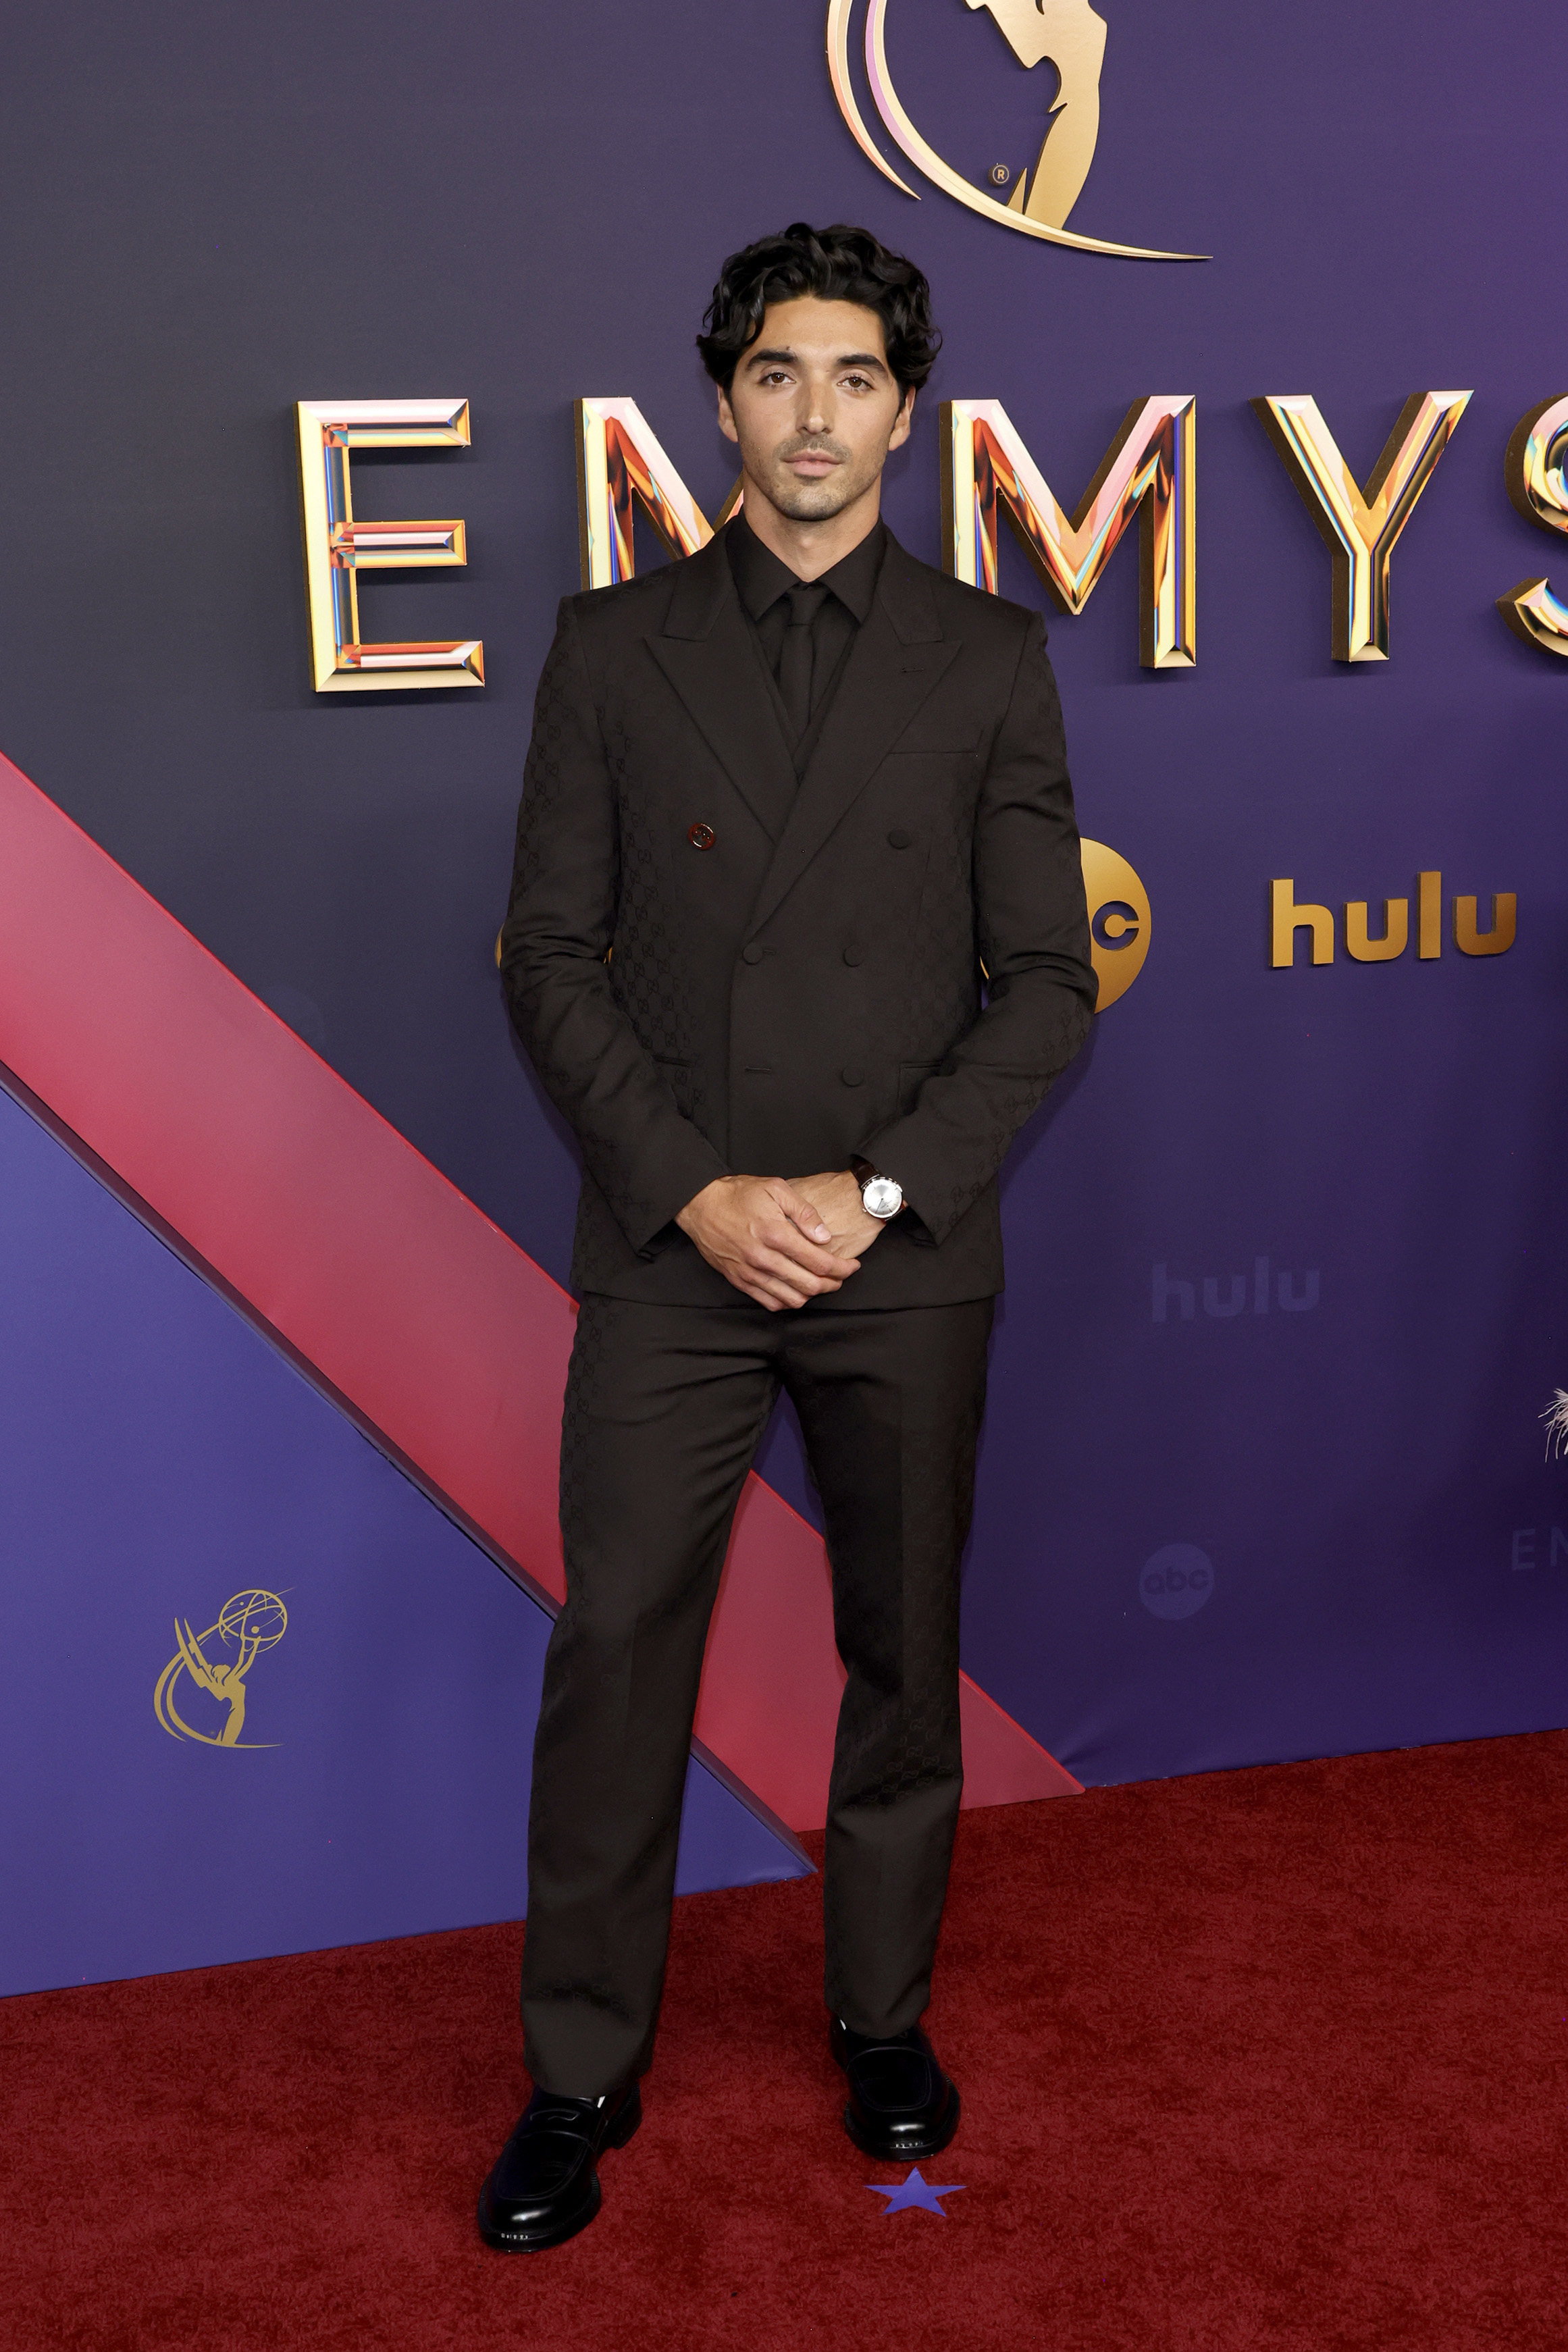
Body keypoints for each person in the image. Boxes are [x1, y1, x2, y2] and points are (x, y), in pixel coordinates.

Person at [481, 221, 1095, 2251]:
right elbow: (551, 958)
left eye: (850, 377)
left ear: (904, 414)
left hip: (898, 1251)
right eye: (773, 374)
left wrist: (875, 1190)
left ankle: (880, 2015)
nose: (811, 413)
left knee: (898, 1657)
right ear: (721, 398)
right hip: (674, 1244)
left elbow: (1042, 986)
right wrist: (701, 1189)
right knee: (617, 1646)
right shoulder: (607, 645)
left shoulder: (989, 660)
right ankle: (580, 2064)